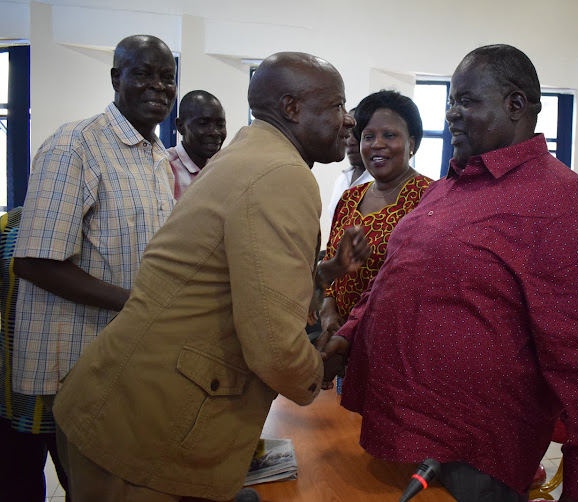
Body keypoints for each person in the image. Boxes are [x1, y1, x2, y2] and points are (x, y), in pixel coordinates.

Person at [322, 45, 578, 502]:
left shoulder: (560, 204)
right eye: (450, 101)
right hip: (399, 427)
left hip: (475, 457)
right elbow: (393, 276)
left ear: (515, 105)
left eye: (466, 101)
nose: (451, 114)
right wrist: (349, 334)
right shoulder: (451, 185)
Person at [52, 51, 355, 502]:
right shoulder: (282, 174)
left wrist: (321, 278)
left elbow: (248, 283)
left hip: (125, 409)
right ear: (292, 108)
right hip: (144, 436)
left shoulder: (249, 154)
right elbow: (273, 347)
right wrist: (320, 368)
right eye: (337, 106)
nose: (348, 120)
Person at [11, 33, 176, 436]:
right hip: (76, 357)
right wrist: (136, 303)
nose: (158, 86)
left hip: (123, 353)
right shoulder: (75, 146)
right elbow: (34, 262)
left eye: (167, 77)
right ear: (116, 78)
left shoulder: (156, 156)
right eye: (143, 74)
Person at [318, 90, 432, 344]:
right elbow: (333, 256)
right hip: (341, 339)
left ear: (411, 143)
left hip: (398, 342)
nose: (377, 144)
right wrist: (328, 306)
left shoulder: (430, 198)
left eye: (389, 135)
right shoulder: (349, 198)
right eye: (368, 136)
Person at [0, 207, 70, 502]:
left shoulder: (101, 229)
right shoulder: (9, 226)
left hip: (76, 397)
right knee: (17, 487)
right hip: (13, 396)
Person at [168, 90, 228, 199]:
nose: (214, 132)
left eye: (220, 125)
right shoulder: (165, 168)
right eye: (203, 124)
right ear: (180, 126)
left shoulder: (222, 168)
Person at [326, 108, 374, 221]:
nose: (349, 141)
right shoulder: (342, 179)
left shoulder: (381, 184)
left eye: (357, 133)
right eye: (348, 132)